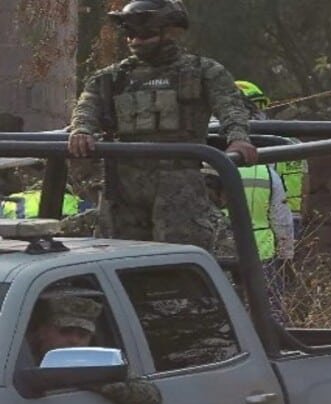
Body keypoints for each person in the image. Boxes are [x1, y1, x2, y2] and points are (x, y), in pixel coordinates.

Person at [67, 0, 257, 253]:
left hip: (178, 182)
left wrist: (238, 138)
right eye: (131, 34)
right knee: (119, 258)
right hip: (122, 185)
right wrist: (81, 130)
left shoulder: (203, 71)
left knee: (180, 258)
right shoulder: (111, 78)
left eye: (145, 34)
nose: (136, 41)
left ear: (170, 33)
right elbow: (86, 108)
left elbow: (231, 107)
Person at [25, 289, 162, 404]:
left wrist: (100, 384)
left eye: (82, 335)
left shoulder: (94, 362)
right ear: (42, 331)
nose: (74, 340)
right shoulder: (20, 360)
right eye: (66, 332)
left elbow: (151, 396)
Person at [202, 163, 294, 324]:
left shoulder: (207, 164)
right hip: (261, 252)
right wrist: (286, 254)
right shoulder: (267, 173)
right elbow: (282, 219)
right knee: (268, 309)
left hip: (212, 262)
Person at [236, 80, 307, 236]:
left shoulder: (284, 142)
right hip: (268, 222)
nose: (260, 113)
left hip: (280, 218)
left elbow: (301, 185)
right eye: (255, 107)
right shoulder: (218, 143)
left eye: (261, 107)